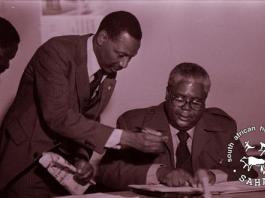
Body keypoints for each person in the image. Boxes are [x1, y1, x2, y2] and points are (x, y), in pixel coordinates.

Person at [0, 11, 167, 198]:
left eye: (130, 57)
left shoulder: (108, 73)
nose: (124, 64)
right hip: (25, 164)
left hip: (57, 170)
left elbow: (87, 120)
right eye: (121, 54)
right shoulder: (57, 51)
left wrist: (82, 158)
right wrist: (126, 138)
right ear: (102, 38)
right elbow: (58, 116)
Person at [98, 62, 258, 190]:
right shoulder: (135, 122)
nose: (186, 108)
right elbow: (106, 172)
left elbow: (248, 172)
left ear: (205, 100)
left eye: (196, 101)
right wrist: (160, 173)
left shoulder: (223, 127)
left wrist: (214, 176)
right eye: (180, 99)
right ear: (167, 94)